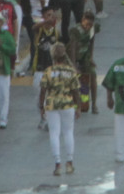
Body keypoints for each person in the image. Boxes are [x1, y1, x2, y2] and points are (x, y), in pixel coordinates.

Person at [38, 43, 81, 176]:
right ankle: (69, 162)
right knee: (68, 132)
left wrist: (41, 106)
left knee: (54, 133)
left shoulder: (49, 71)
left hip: (52, 105)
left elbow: (43, 90)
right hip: (67, 104)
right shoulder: (70, 71)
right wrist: (78, 107)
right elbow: (76, 92)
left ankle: (57, 164)